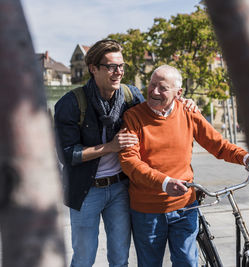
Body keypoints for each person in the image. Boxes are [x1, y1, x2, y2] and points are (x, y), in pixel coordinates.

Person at [54, 40, 197, 267]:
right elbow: (68, 155)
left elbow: (156, 110)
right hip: (86, 190)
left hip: (120, 188)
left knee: (120, 258)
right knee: (84, 257)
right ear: (93, 68)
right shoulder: (71, 103)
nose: (118, 72)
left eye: (121, 66)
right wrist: (110, 147)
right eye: (111, 66)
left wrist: (183, 101)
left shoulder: (130, 95)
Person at [119, 65, 249, 266]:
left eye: (162, 88)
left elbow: (219, 146)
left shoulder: (189, 112)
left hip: (185, 207)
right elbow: (129, 161)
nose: (153, 91)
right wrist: (164, 182)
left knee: (188, 262)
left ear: (178, 93)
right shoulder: (133, 117)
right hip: (147, 211)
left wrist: (246, 158)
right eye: (152, 84)